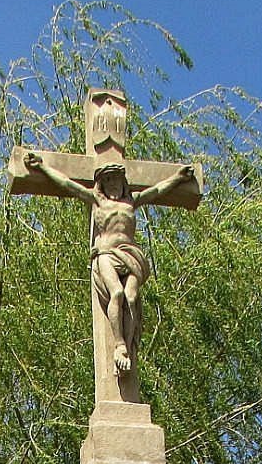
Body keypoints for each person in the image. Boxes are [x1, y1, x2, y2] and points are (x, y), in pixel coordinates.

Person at [23, 151, 194, 376]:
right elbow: (67, 184)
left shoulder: (131, 202)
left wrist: (179, 178)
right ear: (102, 184)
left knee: (131, 297)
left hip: (131, 255)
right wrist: (42, 167)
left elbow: (157, 190)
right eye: (108, 180)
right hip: (106, 253)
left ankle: (129, 350)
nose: (113, 185)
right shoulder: (97, 201)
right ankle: (120, 345)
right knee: (117, 294)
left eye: (116, 180)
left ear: (123, 183)